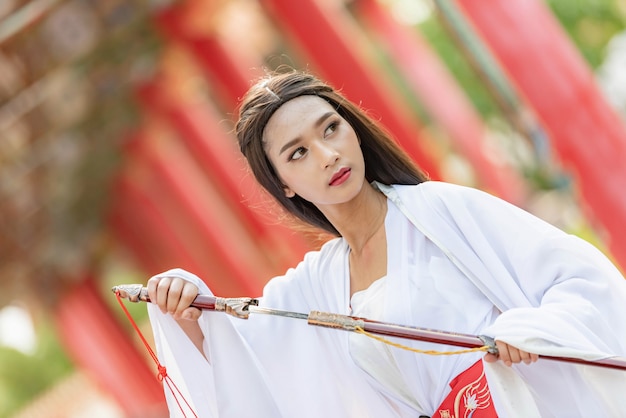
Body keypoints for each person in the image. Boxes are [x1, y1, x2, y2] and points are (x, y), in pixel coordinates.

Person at [146, 70, 626, 417]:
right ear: (283, 184)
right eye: (298, 153)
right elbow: (242, 357)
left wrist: (532, 329)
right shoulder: (316, 287)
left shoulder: (440, 211)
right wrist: (182, 296)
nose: (328, 154)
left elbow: (582, 278)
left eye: (330, 128)